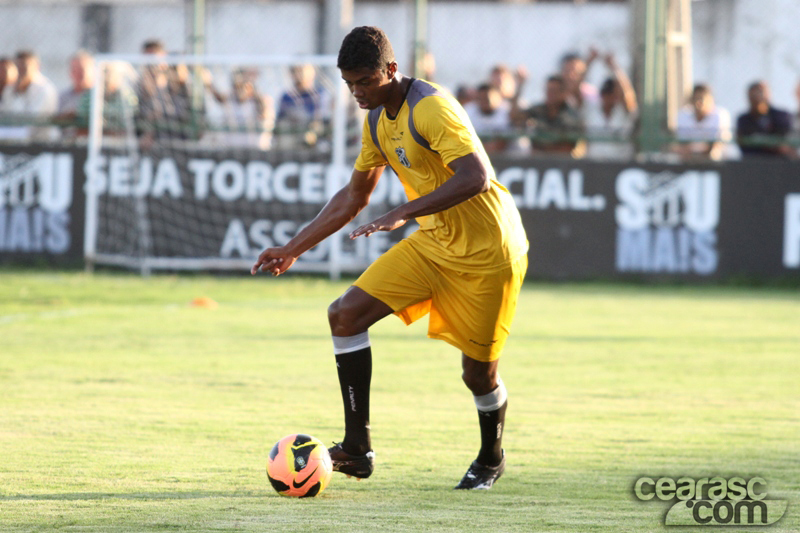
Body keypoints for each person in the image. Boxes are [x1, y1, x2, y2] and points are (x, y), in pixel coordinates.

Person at [251, 26, 528, 490]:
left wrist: (402, 212)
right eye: (350, 84)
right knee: (345, 314)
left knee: (478, 375)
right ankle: (357, 449)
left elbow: (476, 176)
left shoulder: (431, 108)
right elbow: (354, 196)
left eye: (365, 81)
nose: (358, 93)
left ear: (392, 70)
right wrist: (292, 248)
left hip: (490, 253)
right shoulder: (376, 120)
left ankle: (491, 458)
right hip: (434, 243)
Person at [581, 51, 637, 161]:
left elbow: (627, 95)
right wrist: (589, 62)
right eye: (605, 94)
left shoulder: (623, 113)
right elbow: (578, 88)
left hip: (621, 163)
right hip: (594, 163)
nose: (608, 98)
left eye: (611, 95)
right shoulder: (591, 111)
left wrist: (614, 67)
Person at [513, 75, 583, 156]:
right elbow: (515, 118)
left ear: (564, 93)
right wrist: (519, 87)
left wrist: (546, 151)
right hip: (537, 159)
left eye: (554, 91)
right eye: (548, 90)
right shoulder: (538, 110)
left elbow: (569, 146)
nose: (549, 94)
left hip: (562, 160)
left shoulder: (572, 116)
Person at [0, 50, 58, 141]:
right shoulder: (10, 88)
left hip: (39, 144)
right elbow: (4, 115)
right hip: (10, 143)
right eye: (17, 67)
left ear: (36, 67)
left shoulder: (45, 90)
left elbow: (32, 125)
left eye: (24, 68)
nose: (20, 72)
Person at [276, 64, 331, 149]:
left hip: (314, 133)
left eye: (301, 71)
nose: (298, 75)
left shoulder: (320, 94)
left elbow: (322, 117)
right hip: (294, 133)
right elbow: (281, 119)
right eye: (295, 71)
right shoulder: (287, 96)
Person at [736, 81, 793, 158]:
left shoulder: (781, 116)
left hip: (779, 160)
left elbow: (782, 143)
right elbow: (744, 145)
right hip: (753, 160)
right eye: (754, 94)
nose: (758, 97)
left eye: (761, 93)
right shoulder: (743, 120)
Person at [674, 84, 731, 161]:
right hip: (689, 159)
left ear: (710, 100)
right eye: (695, 99)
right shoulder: (683, 115)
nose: (698, 103)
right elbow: (683, 145)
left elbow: (716, 145)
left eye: (701, 99)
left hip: (716, 161)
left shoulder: (720, 115)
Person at [463, 83, 511, 153]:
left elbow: (505, 140)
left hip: (506, 153)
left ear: (497, 97)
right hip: (476, 150)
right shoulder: (468, 111)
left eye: (486, 99)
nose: (483, 102)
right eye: (480, 99)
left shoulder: (507, 110)